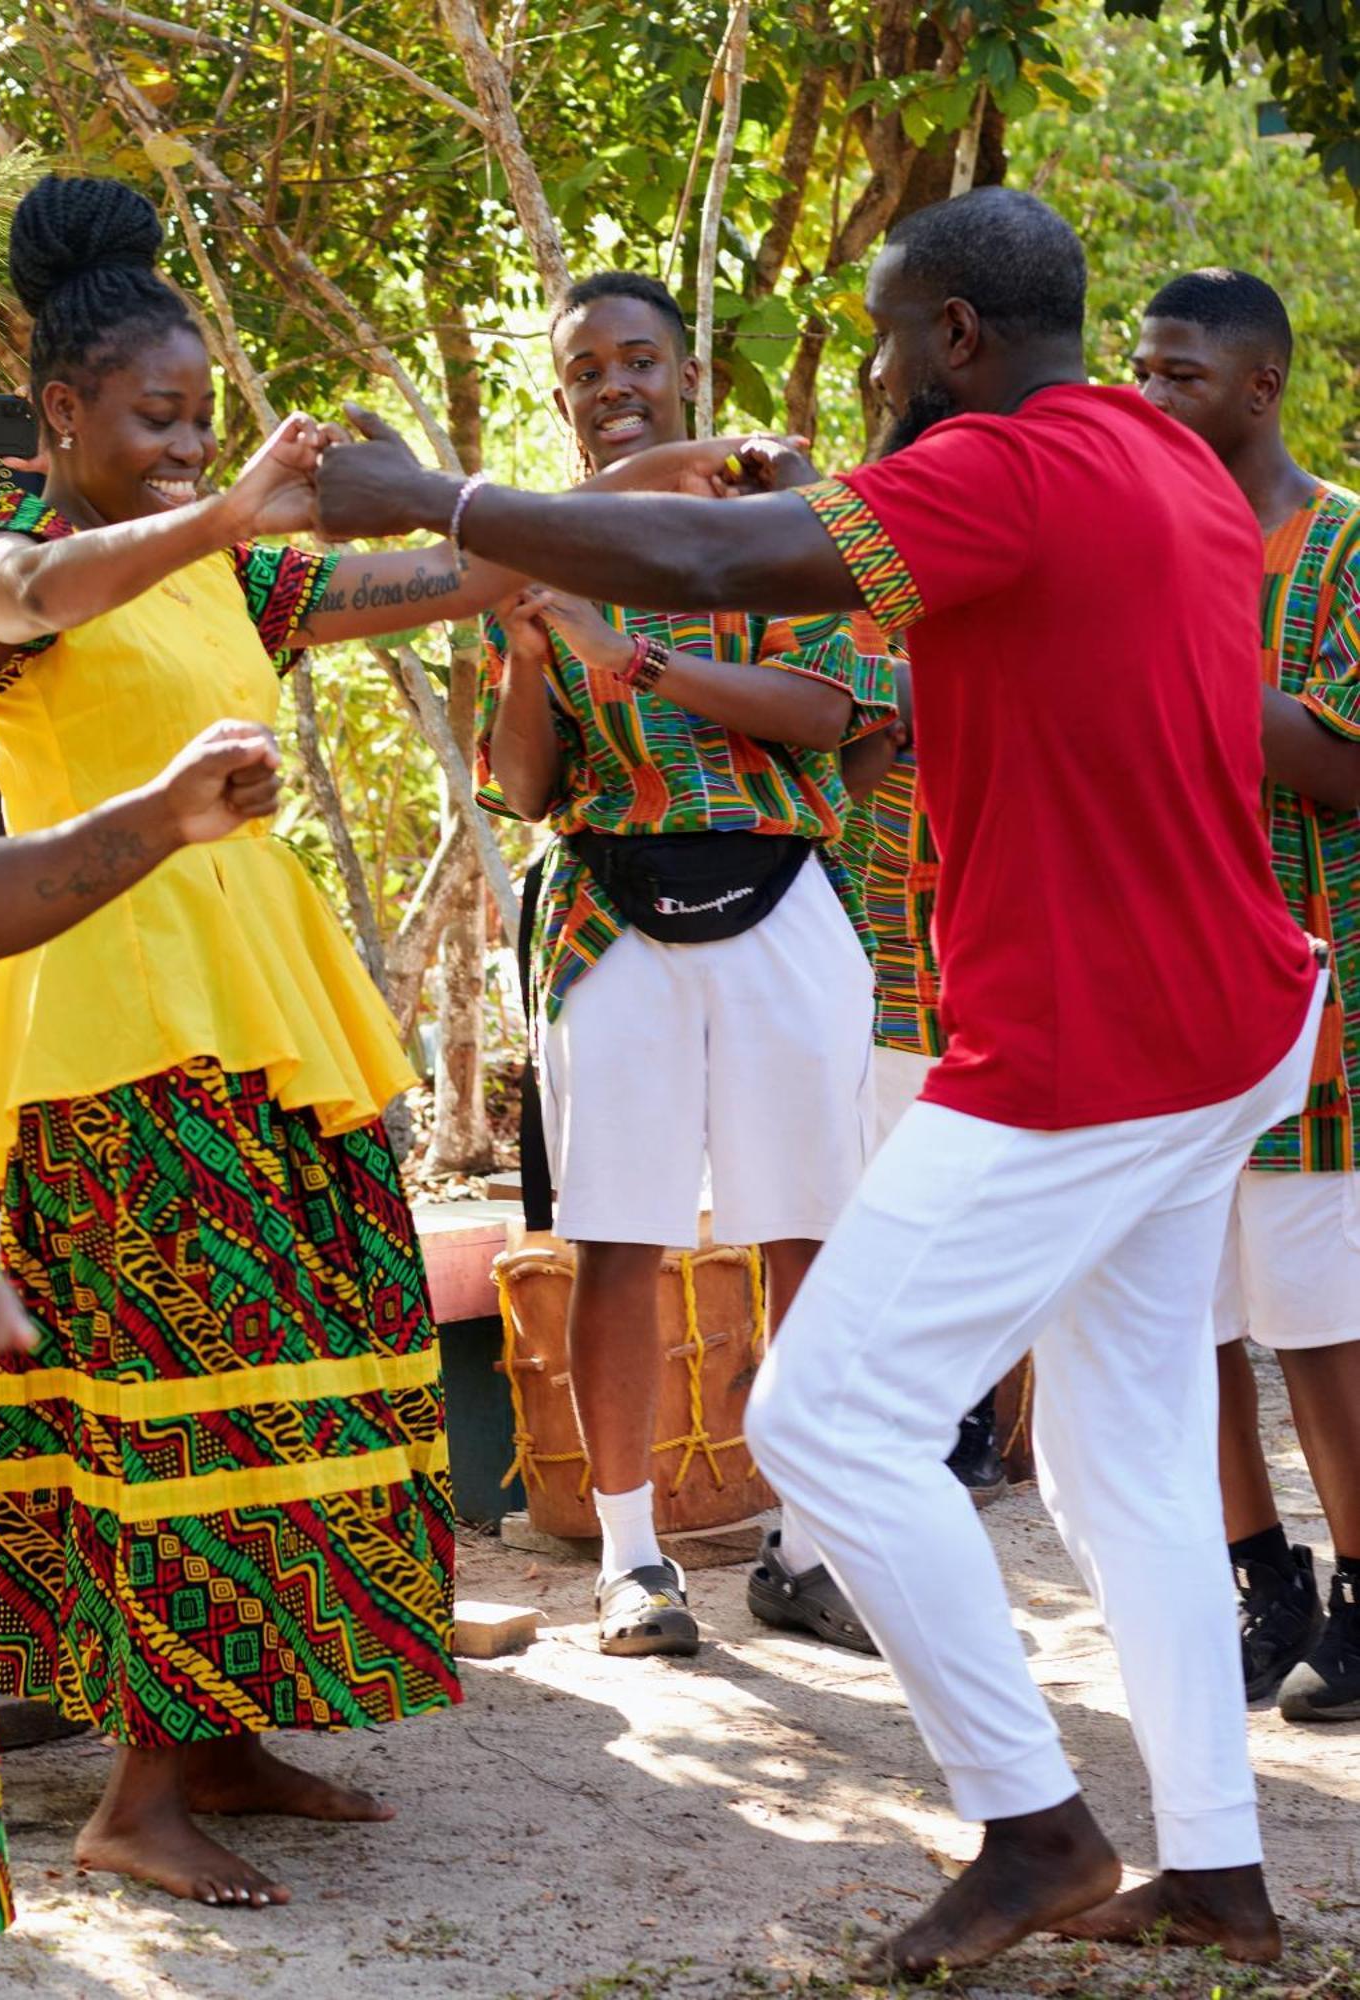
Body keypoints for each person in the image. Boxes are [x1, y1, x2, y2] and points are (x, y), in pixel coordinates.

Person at [317, 186, 1325, 1979]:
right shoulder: (1159, 458)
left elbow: (719, 569)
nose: (862, 373)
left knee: (824, 1420)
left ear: (955, 339)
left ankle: (1035, 1828)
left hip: (1098, 1042)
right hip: (1228, 1017)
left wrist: (433, 505)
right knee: (1131, 1457)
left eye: (878, 337)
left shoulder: (1005, 467)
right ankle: (1227, 1878)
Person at [0, 171, 534, 1910]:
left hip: (270, 1023)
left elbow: (446, 569)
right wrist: (222, 514)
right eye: (155, 416)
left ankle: (219, 1733)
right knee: (176, 1391)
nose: (190, 444)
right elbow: (30, 596)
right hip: (103, 1031)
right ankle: (133, 1792)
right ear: (59, 413)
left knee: (325, 1360)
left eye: (204, 415)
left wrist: (632, 499)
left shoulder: (236, 581)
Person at [478, 271, 887, 1658]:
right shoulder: (535, 545)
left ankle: (805, 1542)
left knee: (807, 1228)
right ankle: (633, 1559)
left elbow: (826, 713)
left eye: (636, 360)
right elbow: (528, 787)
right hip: (605, 907)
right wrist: (535, 655)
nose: (613, 387)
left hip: (782, 894)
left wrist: (634, 659)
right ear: (560, 397)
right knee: (616, 1233)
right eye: (585, 370)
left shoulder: (776, 521)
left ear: (685, 371)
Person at [0, 712, 286, 1952]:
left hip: (83, 989)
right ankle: (129, 1783)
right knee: (105, 1405)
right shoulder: (1, 561)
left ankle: (203, 1741)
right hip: (61, 1033)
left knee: (204, 1393)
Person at [1132, 268, 1360, 1722]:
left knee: (1318, 1318)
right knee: (1188, 1311)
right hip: (1163, 991)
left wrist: (1179, 644)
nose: (1149, 396)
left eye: (1181, 375)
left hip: (1314, 992)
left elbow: (1340, 759)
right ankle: (1260, 1581)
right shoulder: (1142, 538)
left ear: (1262, 386)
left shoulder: (1341, 544)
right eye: (1139, 370)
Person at [836, 625, 1008, 1505]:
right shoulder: (838, 603)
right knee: (884, 1205)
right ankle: (911, 1424)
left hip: (990, 961)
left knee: (962, 1210)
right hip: (873, 965)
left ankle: (963, 1424)